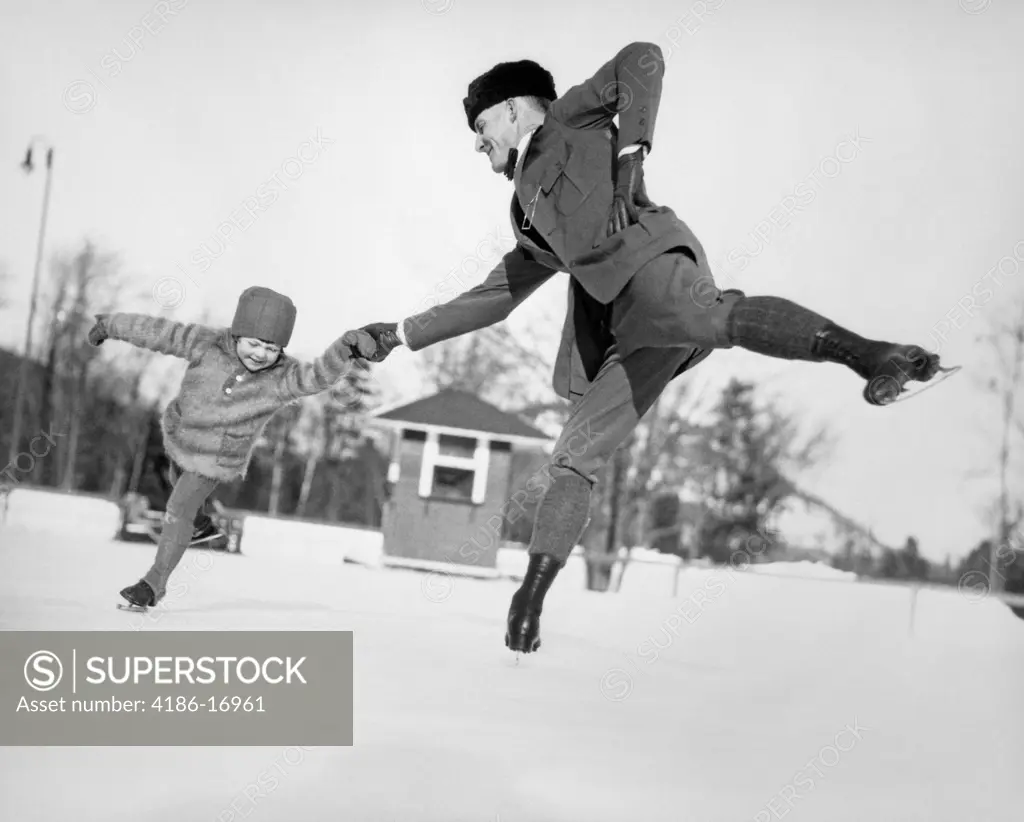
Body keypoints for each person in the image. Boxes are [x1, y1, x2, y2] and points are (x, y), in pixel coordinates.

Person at [346, 42, 945, 655]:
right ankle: (530, 597)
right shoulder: (524, 210)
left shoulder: (570, 118)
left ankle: (871, 355)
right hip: (623, 332)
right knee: (573, 455)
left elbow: (642, 58)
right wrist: (401, 333)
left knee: (712, 316)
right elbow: (494, 295)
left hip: (649, 267)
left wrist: (632, 154)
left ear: (513, 109)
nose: (477, 143)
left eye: (481, 126)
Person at [88, 286, 373, 610]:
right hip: (180, 436)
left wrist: (346, 349)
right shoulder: (206, 343)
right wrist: (112, 325)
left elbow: (318, 376)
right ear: (236, 335)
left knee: (178, 509)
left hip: (216, 456)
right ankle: (199, 524)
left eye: (271, 348)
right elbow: (159, 332)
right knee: (176, 484)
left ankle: (153, 585)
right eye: (253, 343)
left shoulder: (282, 377)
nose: (260, 354)